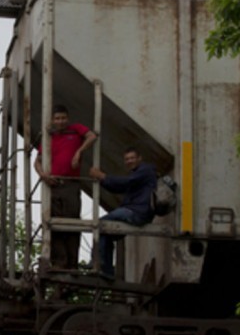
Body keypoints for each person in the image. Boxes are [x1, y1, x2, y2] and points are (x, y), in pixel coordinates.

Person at [34, 104, 97, 270]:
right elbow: (37, 161)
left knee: (71, 223)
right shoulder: (49, 137)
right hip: (52, 185)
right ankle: (59, 262)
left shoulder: (75, 130)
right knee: (53, 225)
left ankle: (72, 264)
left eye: (63, 118)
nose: (60, 121)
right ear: (52, 120)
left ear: (67, 119)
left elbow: (91, 136)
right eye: (57, 118)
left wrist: (79, 152)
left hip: (71, 184)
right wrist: (43, 175)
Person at [89, 147, 157, 278]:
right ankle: (107, 271)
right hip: (135, 211)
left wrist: (103, 176)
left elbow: (126, 182)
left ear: (139, 159)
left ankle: (97, 261)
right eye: (127, 159)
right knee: (107, 234)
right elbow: (118, 187)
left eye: (132, 158)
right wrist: (102, 180)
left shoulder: (146, 170)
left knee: (102, 223)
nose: (129, 161)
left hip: (138, 211)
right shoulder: (137, 176)